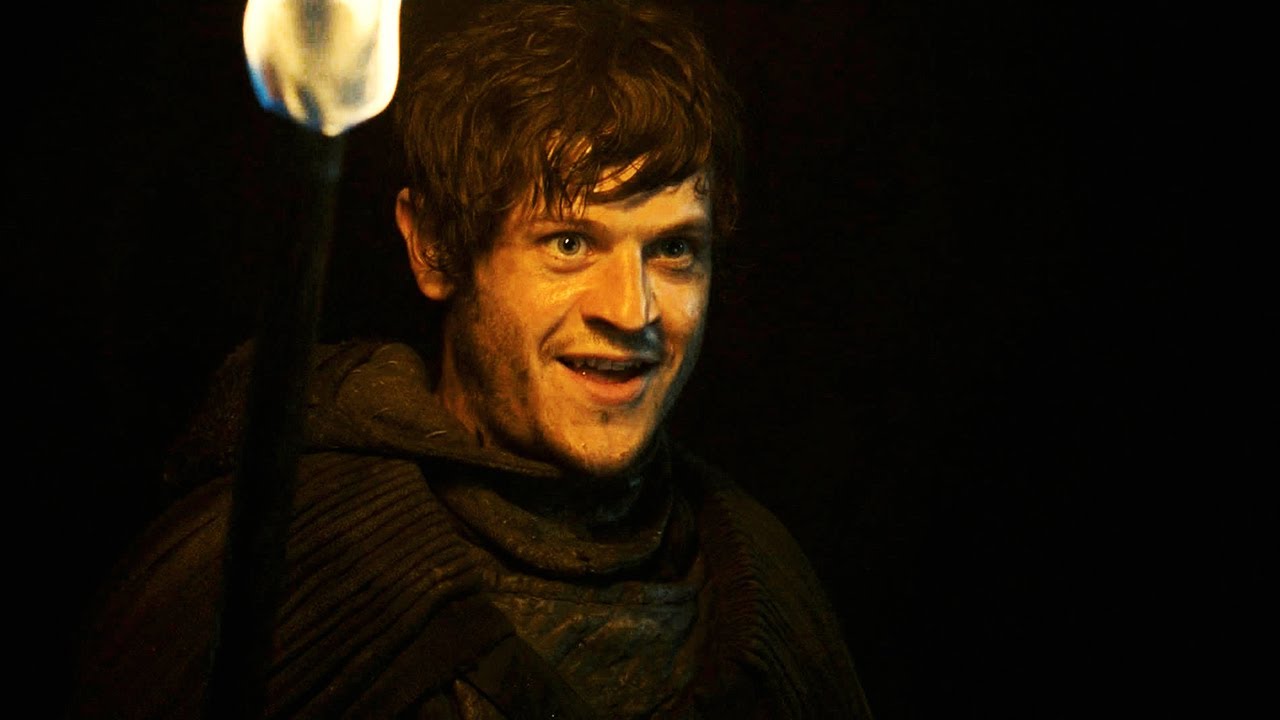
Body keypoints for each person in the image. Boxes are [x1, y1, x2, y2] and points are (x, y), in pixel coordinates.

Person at [69, 1, 872, 717]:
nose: (632, 312)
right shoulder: (264, 559)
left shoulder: (761, 590)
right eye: (568, 242)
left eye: (673, 250)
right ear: (435, 246)